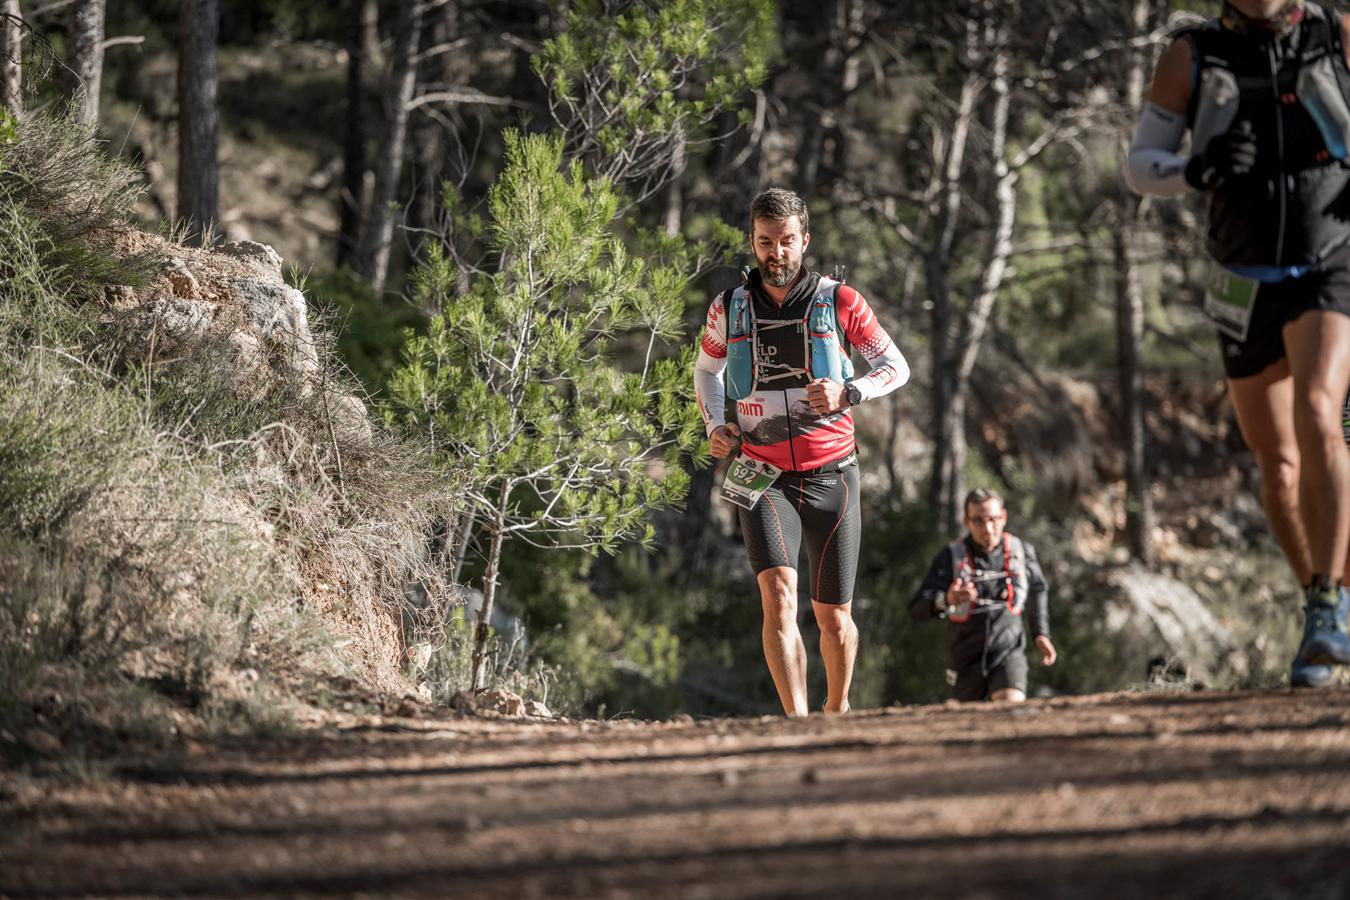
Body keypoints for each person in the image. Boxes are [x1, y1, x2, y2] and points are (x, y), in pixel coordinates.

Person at [1125, 0, 1350, 687]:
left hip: (1329, 259)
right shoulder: (1192, 56)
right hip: (1240, 276)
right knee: (1277, 467)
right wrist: (1196, 167)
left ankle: (1324, 610)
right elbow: (1141, 166)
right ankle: (1326, 601)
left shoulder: (1335, 33)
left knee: (1319, 410)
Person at [692, 188, 910, 716]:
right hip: (761, 474)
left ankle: (836, 710)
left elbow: (897, 367)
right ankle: (798, 723)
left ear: (804, 241)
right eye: (766, 242)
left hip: (833, 475)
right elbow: (707, 370)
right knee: (779, 597)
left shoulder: (840, 301)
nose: (776, 253)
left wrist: (849, 391)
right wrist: (715, 424)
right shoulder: (729, 307)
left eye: (787, 241)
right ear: (752, 241)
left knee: (833, 617)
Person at [910, 489, 1057, 703]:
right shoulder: (950, 556)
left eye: (993, 519)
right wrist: (947, 599)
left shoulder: (1021, 551)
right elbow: (917, 608)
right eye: (978, 521)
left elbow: (1037, 589)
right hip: (965, 658)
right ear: (966, 522)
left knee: (1010, 708)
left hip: (1008, 653)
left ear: (1003, 517)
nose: (987, 528)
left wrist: (1041, 633)